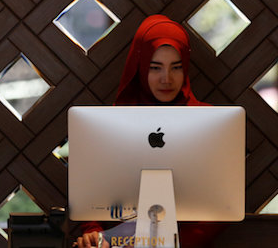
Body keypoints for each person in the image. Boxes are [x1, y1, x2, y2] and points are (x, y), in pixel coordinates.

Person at [75, 15, 213, 248]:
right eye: (155, 67)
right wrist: (93, 232)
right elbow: (91, 188)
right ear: (140, 66)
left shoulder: (208, 122)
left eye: (176, 67)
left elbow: (220, 207)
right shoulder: (111, 123)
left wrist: (168, 245)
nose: (166, 79)